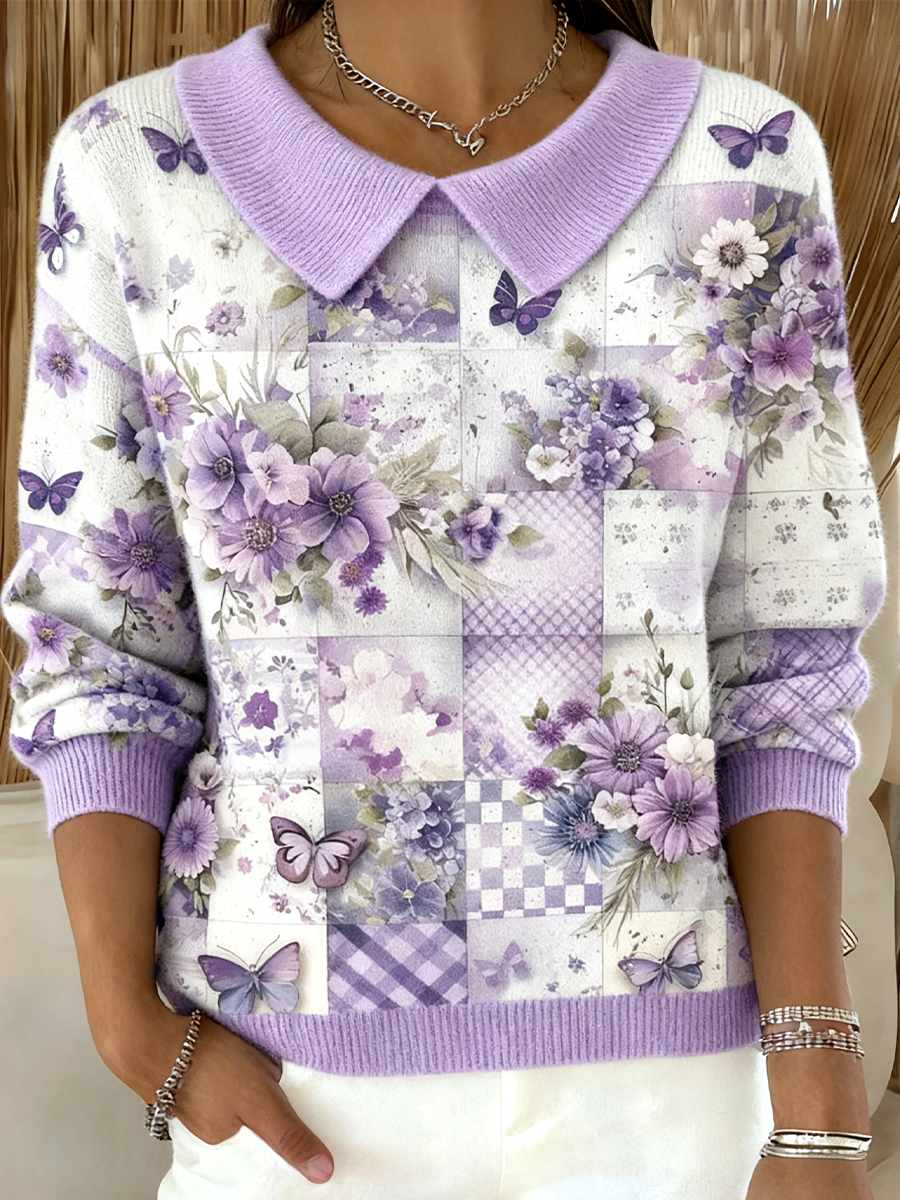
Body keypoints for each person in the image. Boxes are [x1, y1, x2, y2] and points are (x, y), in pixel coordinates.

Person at [2, 1, 887, 1197]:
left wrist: (819, 1113)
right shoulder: (139, 165)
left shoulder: (742, 163)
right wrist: (130, 1028)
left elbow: (782, 664)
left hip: (671, 1097)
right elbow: (100, 643)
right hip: (292, 1095)